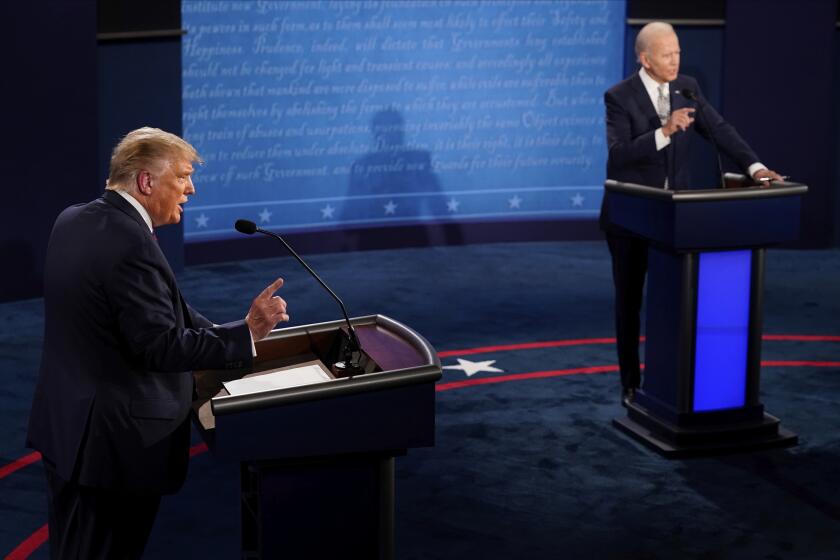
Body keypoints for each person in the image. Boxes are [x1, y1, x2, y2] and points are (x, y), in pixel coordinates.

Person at [26, 127, 290, 558]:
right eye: (183, 177)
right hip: (113, 448)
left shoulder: (76, 219)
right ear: (147, 181)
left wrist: (239, 331)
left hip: (68, 430)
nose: (191, 188)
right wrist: (249, 334)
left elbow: (166, 313)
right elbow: (160, 346)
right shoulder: (130, 242)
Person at [600, 22, 784, 406]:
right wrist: (664, 131)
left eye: (678, 52)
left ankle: (672, 381)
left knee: (676, 298)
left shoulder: (687, 87)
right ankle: (630, 383)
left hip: (677, 217)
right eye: (667, 55)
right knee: (630, 300)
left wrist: (756, 168)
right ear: (644, 59)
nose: (675, 60)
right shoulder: (619, 96)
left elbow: (720, 130)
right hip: (631, 216)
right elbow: (618, 155)